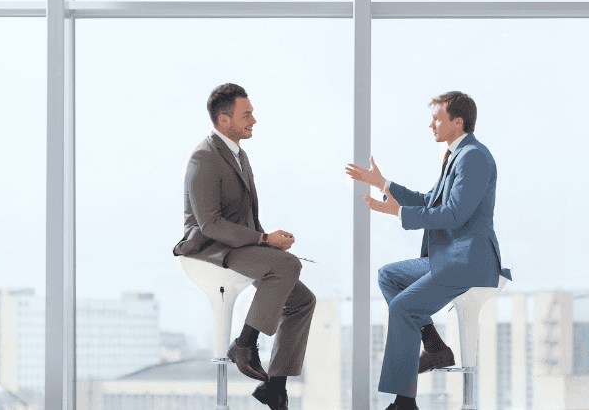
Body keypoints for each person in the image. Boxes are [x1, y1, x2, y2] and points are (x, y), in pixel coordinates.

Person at [347, 91, 511, 410]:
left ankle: (403, 401)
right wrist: (384, 184)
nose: (431, 124)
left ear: (458, 121)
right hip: (448, 258)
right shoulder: (456, 155)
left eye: (437, 117)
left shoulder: (473, 157)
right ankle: (434, 346)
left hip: (468, 261)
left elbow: (454, 214)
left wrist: (397, 213)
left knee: (402, 308)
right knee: (389, 276)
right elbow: (429, 201)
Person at [173, 83, 314, 410]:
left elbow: (246, 216)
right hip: (211, 247)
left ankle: (274, 387)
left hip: (240, 245)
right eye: (246, 114)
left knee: (303, 300)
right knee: (289, 267)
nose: (254, 120)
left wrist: (270, 245)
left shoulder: (239, 154)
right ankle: (244, 345)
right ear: (224, 120)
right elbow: (210, 224)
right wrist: (265, 241)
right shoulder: (203, 157)